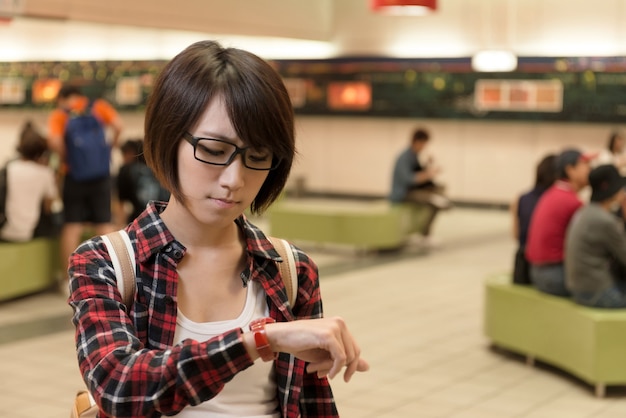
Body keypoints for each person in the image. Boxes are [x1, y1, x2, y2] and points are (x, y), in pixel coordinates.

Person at [68, 40, 369, 417]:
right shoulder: (107, 262)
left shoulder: (290, 270)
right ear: (168, 137)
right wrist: (259, 339)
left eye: (257, 157)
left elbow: (312, 405)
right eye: (212, 150)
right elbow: (120, 387)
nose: (234, 179)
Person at [47, 84, 123, 273]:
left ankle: (69, 279)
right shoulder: (98, 106)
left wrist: (68, 157)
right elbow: (119, 126)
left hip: (74, 175)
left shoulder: (60, 114)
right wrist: (108, 149)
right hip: (101, 174)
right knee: (104, 224)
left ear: (61, 98)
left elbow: (54, 141)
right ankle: (112, 276)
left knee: (72, 226)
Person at [525, 148, 592, 296]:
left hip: (537, 271)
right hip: (555, 275)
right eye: (585, 164)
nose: (590, 169)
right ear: (570, 170)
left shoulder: (553, 193)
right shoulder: (572, 202)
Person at [565, 164, 626, 308]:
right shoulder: (605, 221)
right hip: (596, 292)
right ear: (613, 191)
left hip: (577, 287)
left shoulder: (584, 212)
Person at [389, 128, 451, 247]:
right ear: (417, 142)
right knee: (433, 200)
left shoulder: (414, 156)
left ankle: (441, 201)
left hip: (412, 190)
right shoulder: (404, 157)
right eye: (423, 144)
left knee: (440, 189)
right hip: (403, 194)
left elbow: (419, 174)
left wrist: (428, 166)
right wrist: (428, 174)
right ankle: (425, 234)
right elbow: (409, 179)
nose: (424, 147)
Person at [0, 121, 59, 242]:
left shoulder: (8, 168)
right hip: (31, 231)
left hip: (5, 228)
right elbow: (49, 207)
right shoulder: (45, 173)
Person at [510, 154, 557, 284]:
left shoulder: (520, 198)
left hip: (522, 266)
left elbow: (515, 235)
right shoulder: (554, 201)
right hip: (545, 267)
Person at [116, 139, 169, 224]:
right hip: (164, 218)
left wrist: (120, 227)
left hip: (139, 220)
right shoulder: (158, 168)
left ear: (129, 153)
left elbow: (121, 204)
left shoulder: (126, 171)